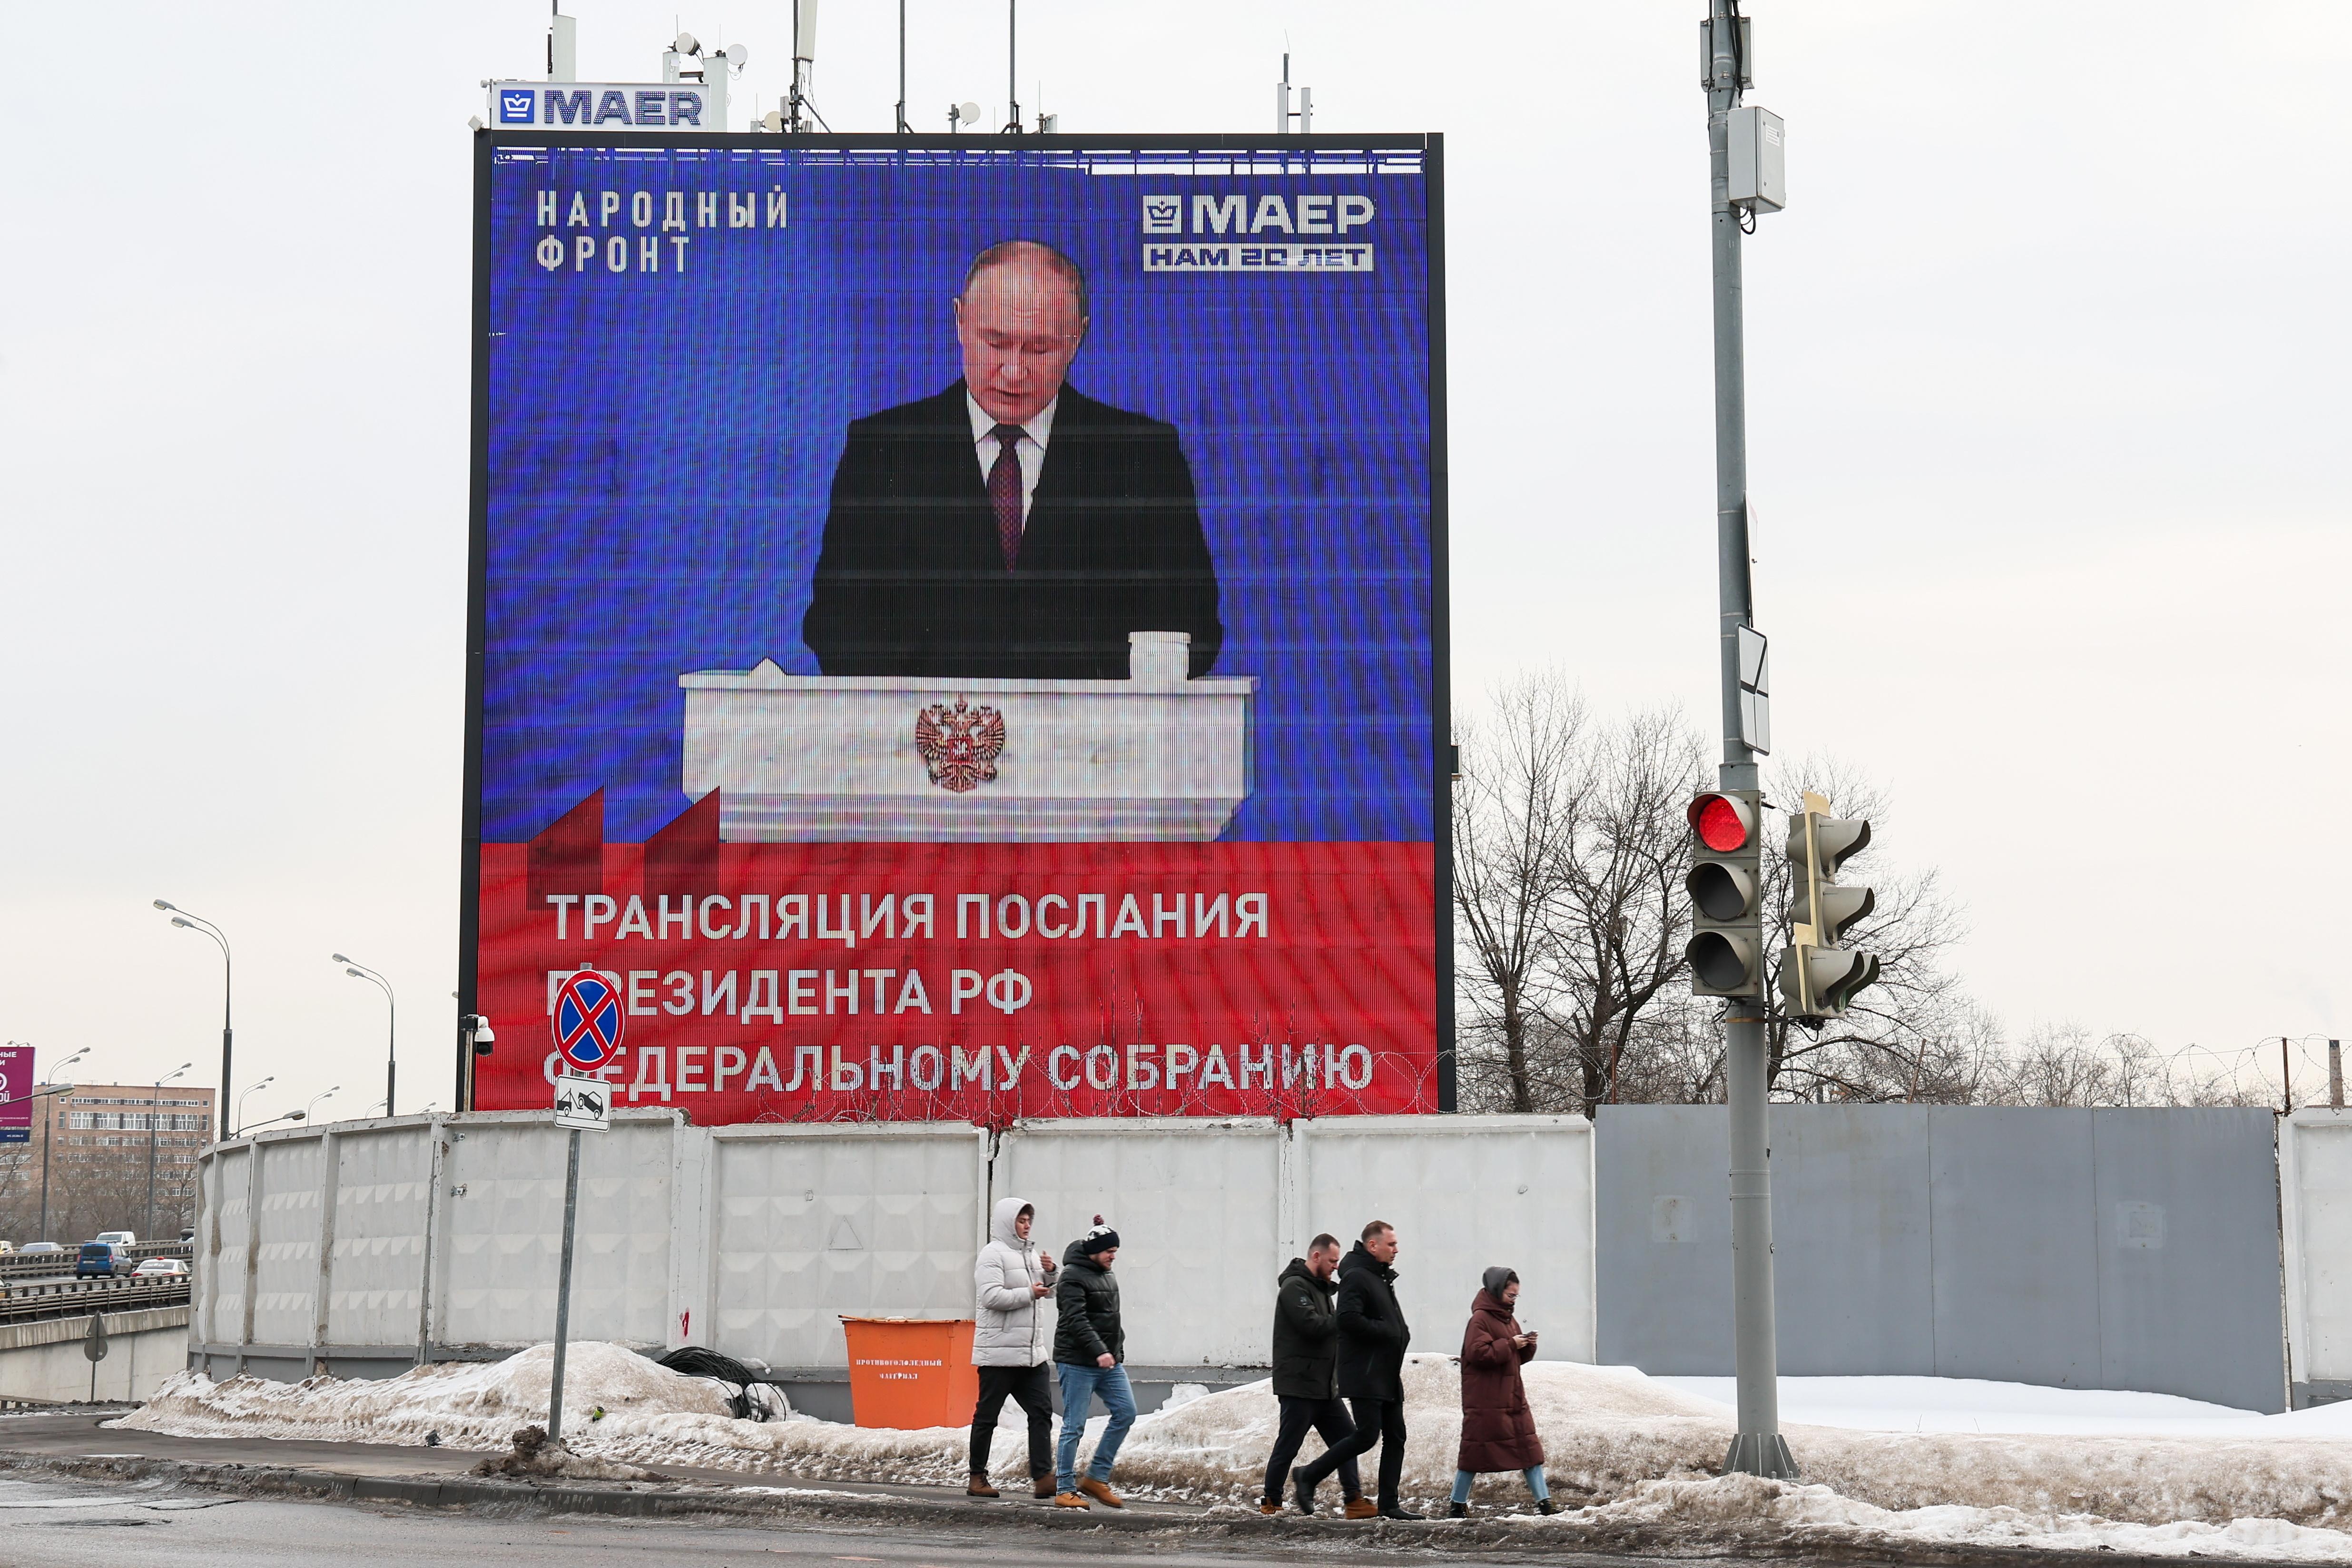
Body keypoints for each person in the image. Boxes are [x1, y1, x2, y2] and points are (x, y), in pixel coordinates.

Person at [800, 239, 1224, 681]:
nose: (1013, 372)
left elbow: (1191, 627)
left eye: (1038, 349)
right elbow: (837, 625)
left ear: (1077, 337)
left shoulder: (1140, 456)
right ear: (961, 321)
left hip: (1090, 743)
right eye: (996, 343)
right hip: (932, 741)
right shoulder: (884, 450)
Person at [1293, 1220, 1420, 1520]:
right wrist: (1388, 1331)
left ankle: (1389, 1503)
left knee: (1396, 1436)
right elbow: (1348, 1319)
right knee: (1366, 1436)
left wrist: (1396, 1331)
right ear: (1373, 1245)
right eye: (1391, 1244)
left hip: (1386, 1371)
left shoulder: (1380, 1276)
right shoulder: (1357, 1277)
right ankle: (1308, 1475)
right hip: (1366, 1371)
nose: (1396, 1249)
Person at [1261, 1233, 1375, 1519]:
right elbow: (1311, 1325)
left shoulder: (1322, 1290)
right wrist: (1347, 1318)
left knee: (1349, 1439)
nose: (1336, 1266)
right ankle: (1271, 1500)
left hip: (1325, 1387)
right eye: (1332, 1261)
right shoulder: (1294, 1287)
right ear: (1316, 1257)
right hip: (1299, 1384)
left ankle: (1353, 1500)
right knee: (1289, 1444)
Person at [966, 1196, 1059, 1499]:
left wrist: (1050, 1274)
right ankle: (977, 1478)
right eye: (1021, 1220)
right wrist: (1030, 1293)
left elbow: (1045, 1293)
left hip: (1032, 1354)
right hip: (999, 1354)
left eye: (1029, 1220)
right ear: (1009, 1223)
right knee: (987, 1417)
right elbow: (991, 1297)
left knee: (1042, 1413)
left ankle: (1043, 1477)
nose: (1027, 1225)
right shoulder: (992, 1255)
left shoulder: (1030, 1255)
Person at [1448, 1266, 1557, 1518]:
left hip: (1511, 1397)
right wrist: (1511, 1343)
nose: (1514, 1300)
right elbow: (1478, 1353)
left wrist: (1527, 1345)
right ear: (1498, 1291)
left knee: (1529, 1449)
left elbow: (1514, 1358)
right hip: (1487, 1401)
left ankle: (1545, 1503)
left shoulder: (1506, 1318)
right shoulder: (1480, 1319)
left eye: (1516, 1296)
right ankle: (1457, 1503)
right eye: (1511, 1295)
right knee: (1475, 1451)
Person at [1051, 1216, 1133, 1509]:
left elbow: (1108, 1316)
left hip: (1109, 1362)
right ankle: (1064, 1489)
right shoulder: (1072, 1277)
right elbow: (1076, 1319)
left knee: (1126, 1412)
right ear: (1094, 1251)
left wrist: (1116, 1349)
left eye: (1115, 1251)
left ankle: (1097, 1478)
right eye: (1109, 1251)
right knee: (1074, 1425)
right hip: (1077, 1362)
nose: (1114, 1256)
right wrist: (1099, 1350)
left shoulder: (1104, 1271)